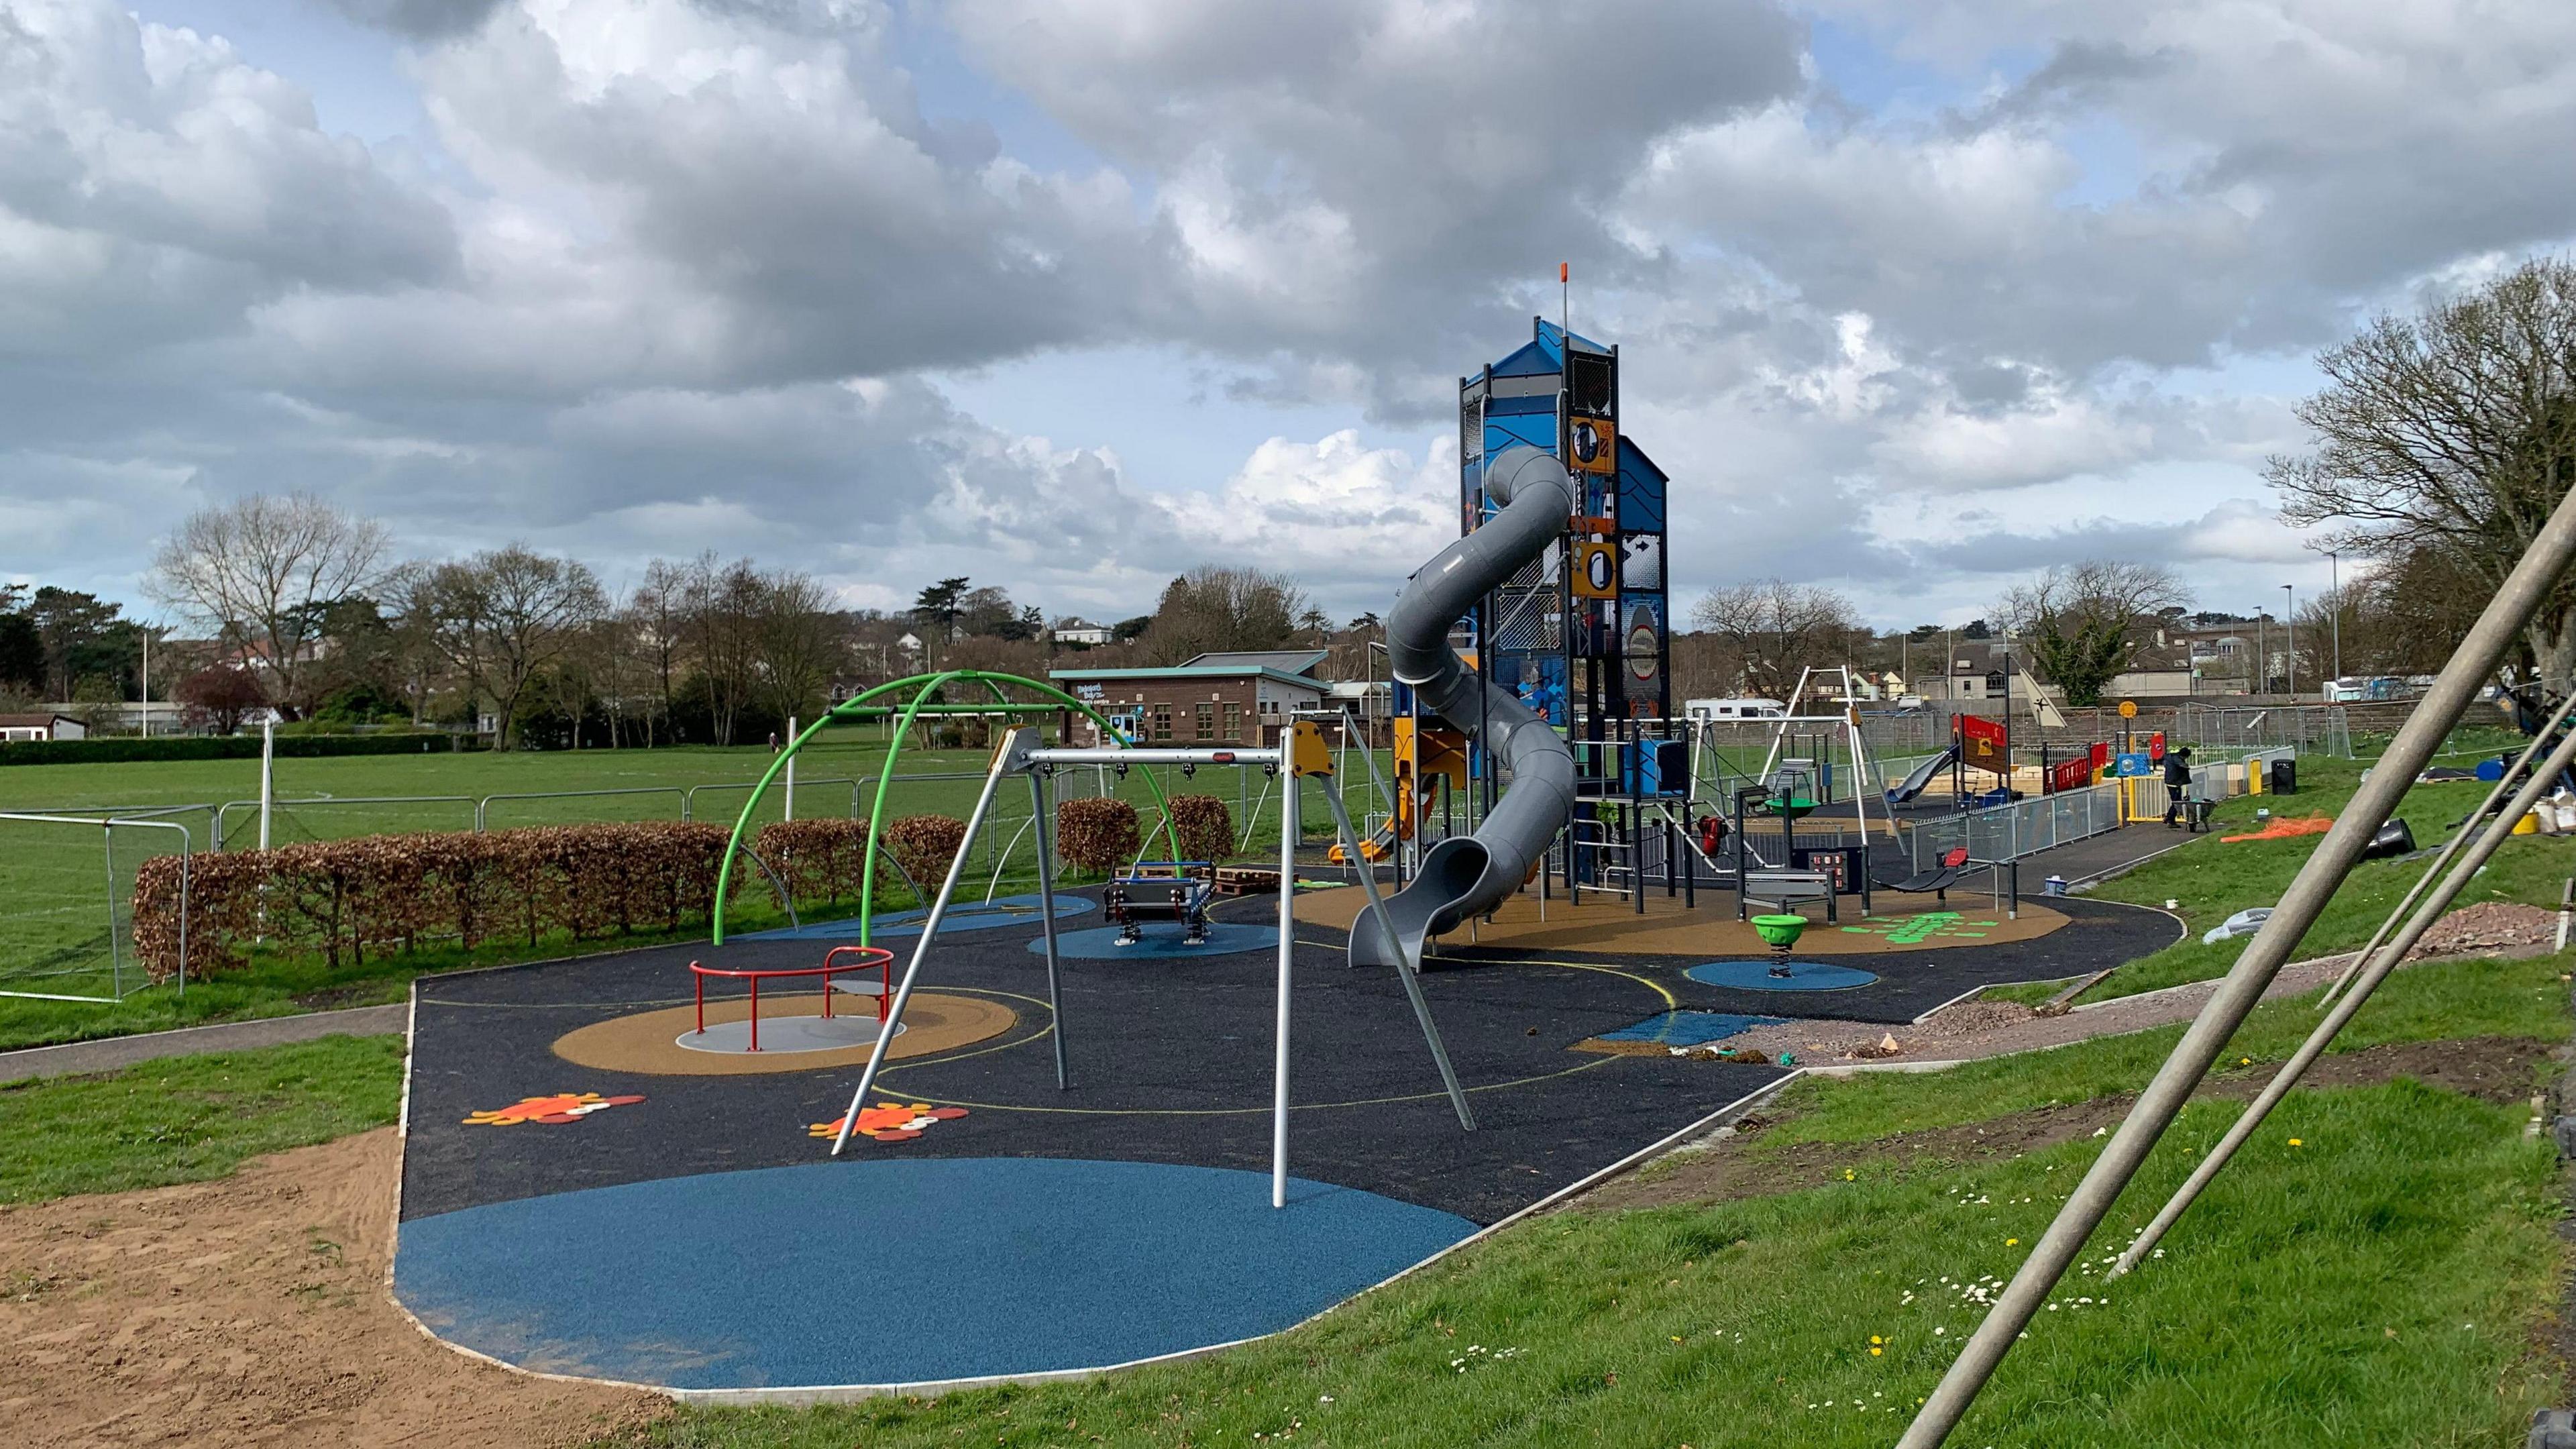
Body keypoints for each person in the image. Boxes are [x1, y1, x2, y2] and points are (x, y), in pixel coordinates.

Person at [2162, 746, 2196, 828]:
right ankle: (2170, 819)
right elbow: (2183, 766)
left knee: (2176, 802)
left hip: (2170, 782)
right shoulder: (2178, 760)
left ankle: (2169, 819)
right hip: (2175, 783)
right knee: (2177, 802)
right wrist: (2187, 766)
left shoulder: (2170, 757)